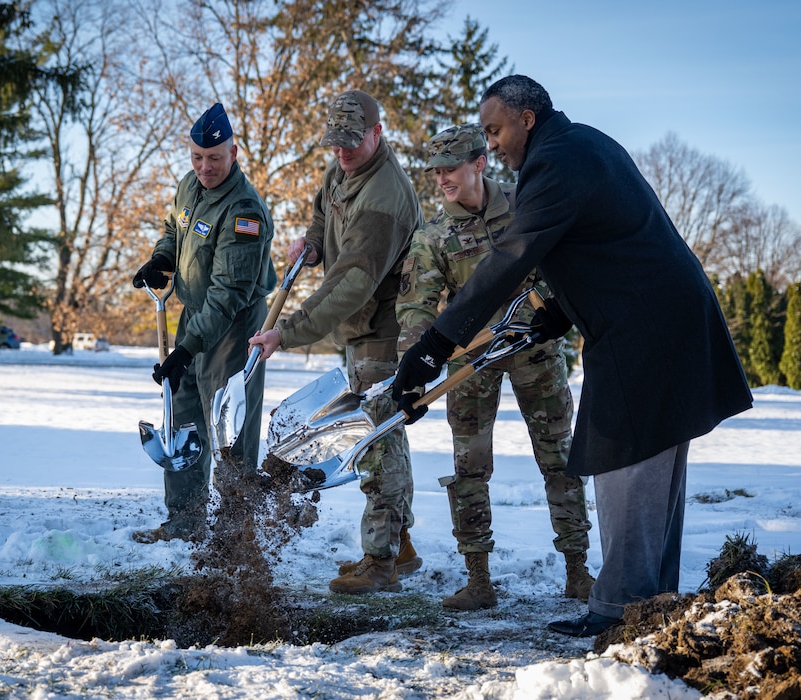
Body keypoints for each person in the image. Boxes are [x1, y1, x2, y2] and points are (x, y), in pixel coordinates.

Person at [393, 75, 753, 636]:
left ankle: (619, 610)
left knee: (624, 456)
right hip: (653, 314)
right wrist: (559, 310)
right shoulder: (582, 143)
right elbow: (597, 241)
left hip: (644, 325)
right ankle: (648, 605)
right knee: (653, 467)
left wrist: (436, 344)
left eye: (495, 130)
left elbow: (513, 256)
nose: (492, 145)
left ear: (526, 119)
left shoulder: (556, 161)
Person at [396, 123, 595, 611]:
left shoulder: (526, 207)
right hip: (471, 359)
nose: (441, 180)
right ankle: (478, 579)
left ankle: (578, 571)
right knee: (469, 468)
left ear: (479, 164)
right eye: (435, 172)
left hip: (536, 347)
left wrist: (557, 309)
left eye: (450, 170)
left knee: (560, 459)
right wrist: (414, 367)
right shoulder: (433, 236)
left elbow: (565, 265)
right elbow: (416, 309)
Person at [248, 89, 424, 594]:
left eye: (353, 143)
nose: (342, 154)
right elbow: (324, 220)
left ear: (378, 133)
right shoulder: (340, 172)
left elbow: (352, 282)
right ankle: (400, 547)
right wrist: (311, 244)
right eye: (336, 144)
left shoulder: (386, 196)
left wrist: (291, 330)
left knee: (375, 439)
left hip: (385, 330)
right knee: (383, 434)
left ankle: (380, 562)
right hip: (358, 327)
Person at [131, 102, 277, 544]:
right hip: (195, 315)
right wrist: (162, 257)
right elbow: (174, 229)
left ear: (234, 153)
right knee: (183, 413)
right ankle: (184, 523)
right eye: (196, 157)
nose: (204, 167)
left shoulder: (244, 212)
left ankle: (236, 534)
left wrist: (187, 350)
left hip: (235, 327)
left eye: (214, 158)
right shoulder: (188, 187)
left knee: (229, 425)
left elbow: (228, 294)